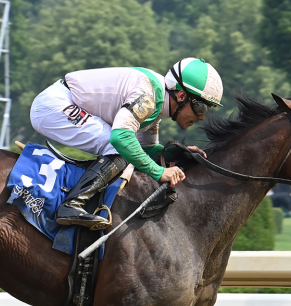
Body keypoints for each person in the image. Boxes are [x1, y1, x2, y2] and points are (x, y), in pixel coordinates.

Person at [29, 57, 223, 228]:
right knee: (119, 146)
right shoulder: (148, 98)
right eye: (202, 107)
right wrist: (159, 172)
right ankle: (71, 205)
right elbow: (121, 139)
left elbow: (145, 149)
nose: (202, 117)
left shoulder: (155, 105)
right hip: (54, 106)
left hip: (62, 102)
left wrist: (176, 153)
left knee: (125, 148)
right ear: (181, 95)